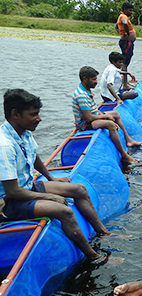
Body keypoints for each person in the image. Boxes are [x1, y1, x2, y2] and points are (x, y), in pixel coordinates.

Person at [0, 89, 115, 262]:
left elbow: (34, 156)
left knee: (79, 189)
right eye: (34, 115)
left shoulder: (23, 132)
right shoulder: (5, 145)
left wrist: (51, 179)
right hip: (8, 203)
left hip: (26, 188)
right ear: (15, 114)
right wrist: (49, 197)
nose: (39, 119)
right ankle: (94, 257)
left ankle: (103, 232)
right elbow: (13, 192)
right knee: (64, 211)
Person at [72, 66, 141, 164]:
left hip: (92, 118)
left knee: (115, 114)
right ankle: (124, 156)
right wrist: (105, 117)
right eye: (93, 79)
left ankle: (128, 140)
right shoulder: (81, 95)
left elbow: (94, 110)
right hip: (85, 124)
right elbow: (88, 118)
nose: (96, 82)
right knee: (110, 124)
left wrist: (104, 115)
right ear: (84, 79)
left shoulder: (86, 91)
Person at [116, 2, 136, 90]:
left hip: (127, 42)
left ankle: (125, 82)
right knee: (124, 63)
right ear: (125, 10)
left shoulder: (122, 16)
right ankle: (124, 84)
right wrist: (127, 33)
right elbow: (124, 23)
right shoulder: (123, 17)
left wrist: (121, 33)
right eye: (130, 10)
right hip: (127, 42)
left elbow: (116, 27)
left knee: (126, 62)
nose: (131, 12)